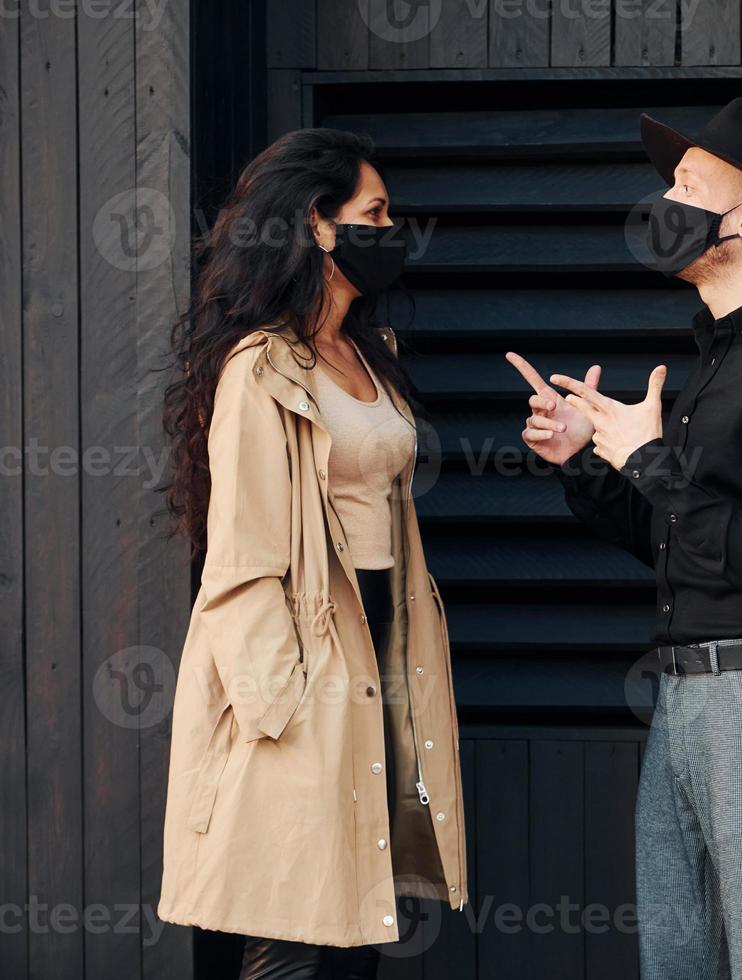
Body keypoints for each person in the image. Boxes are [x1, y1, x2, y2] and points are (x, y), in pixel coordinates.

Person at [509, 97, 742, 980]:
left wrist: (655, 462)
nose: (664, 202)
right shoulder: (722, 361)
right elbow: (681, 541)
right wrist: (590, 463)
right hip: (687, 701)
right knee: (677, 962)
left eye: (685, 185)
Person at [158, 128, 467, 979]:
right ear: (319, 226)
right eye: (375, 212)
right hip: (302, 659)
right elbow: (240, 565)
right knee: (294, 931)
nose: (392, 228)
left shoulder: (371, 353)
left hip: (381, 639)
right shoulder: (261, 369)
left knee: (361, 918)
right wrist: (282, 709)